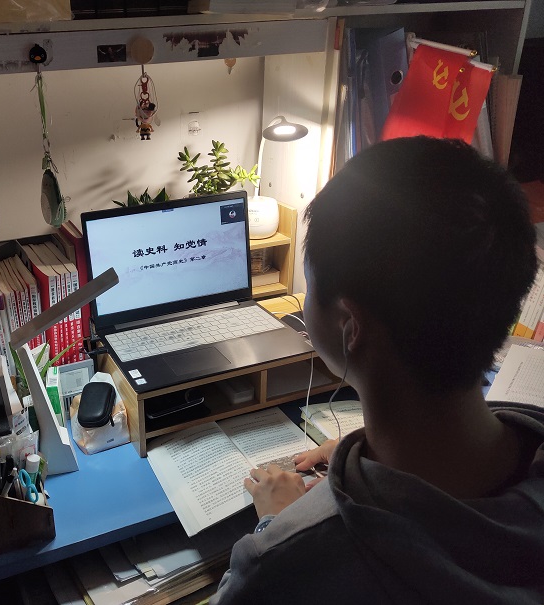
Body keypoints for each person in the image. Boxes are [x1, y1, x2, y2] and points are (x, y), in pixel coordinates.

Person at [210, 137, 544, 604]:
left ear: (349, 324)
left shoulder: (281, 564)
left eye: (309, 284)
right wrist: (365, 450)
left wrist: (277, 524)